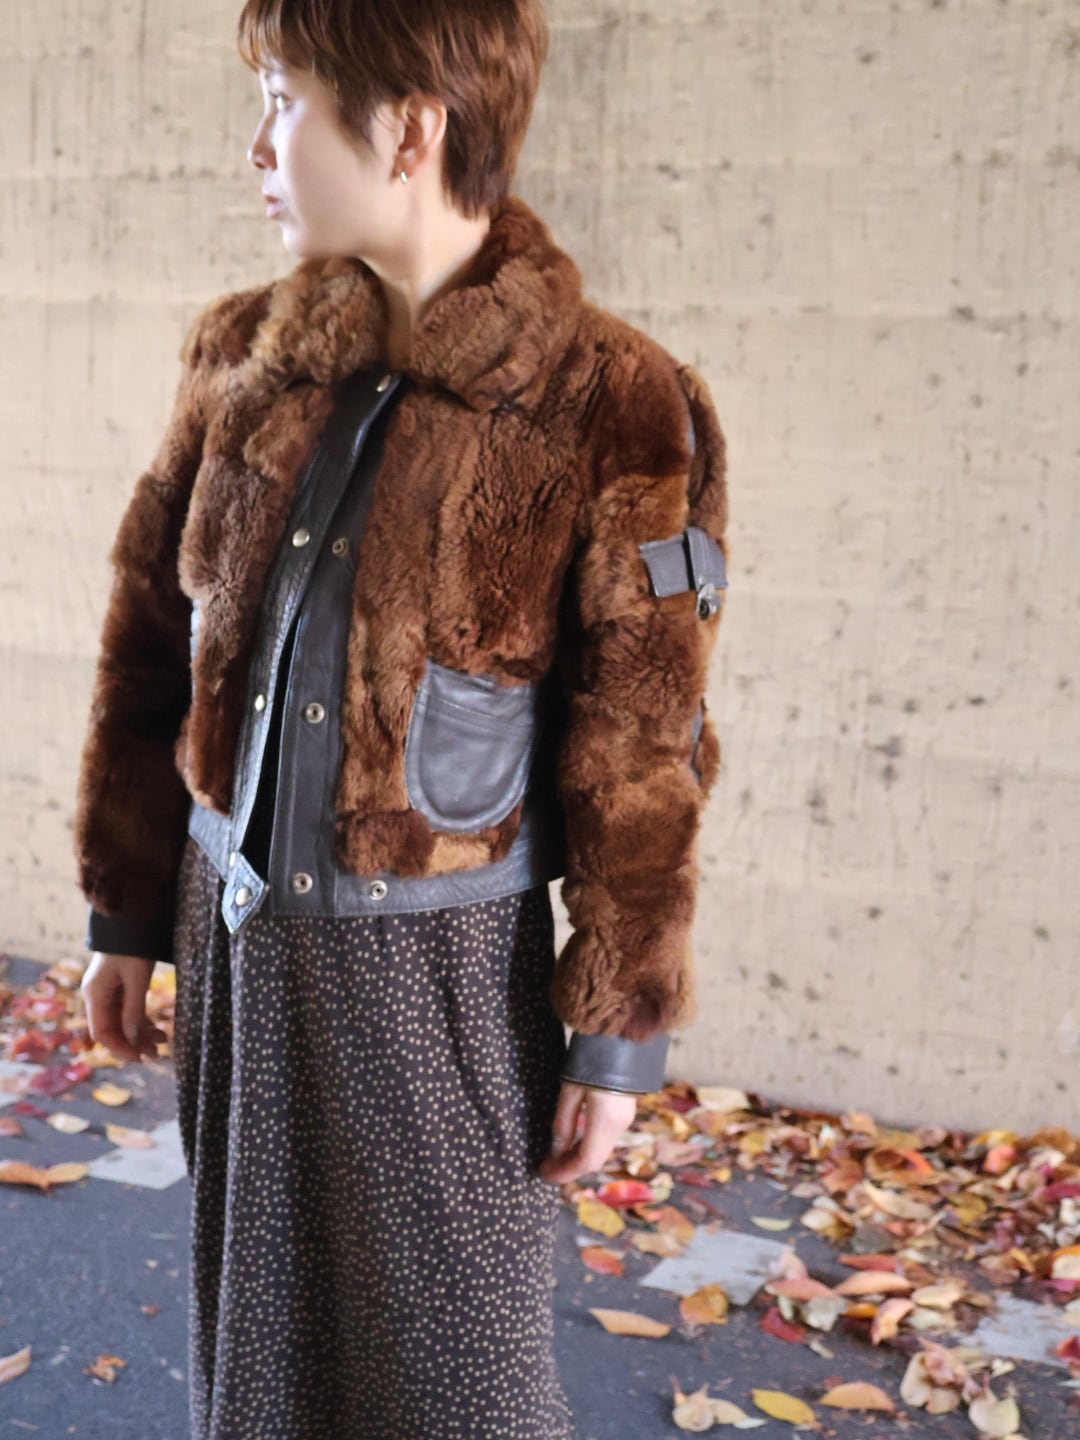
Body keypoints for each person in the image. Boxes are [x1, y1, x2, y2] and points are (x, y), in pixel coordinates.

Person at [74, 2, 729, 1437]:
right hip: (236, 945)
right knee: (260, 1370)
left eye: (286, 98)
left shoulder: (617, 400)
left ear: (412, 126)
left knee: (463, 1390)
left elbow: (643, 745)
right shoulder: (240, 357)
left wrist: (616, 1033)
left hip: (441, 983)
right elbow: (151, 642)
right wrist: (127, 907)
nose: (260, 144)